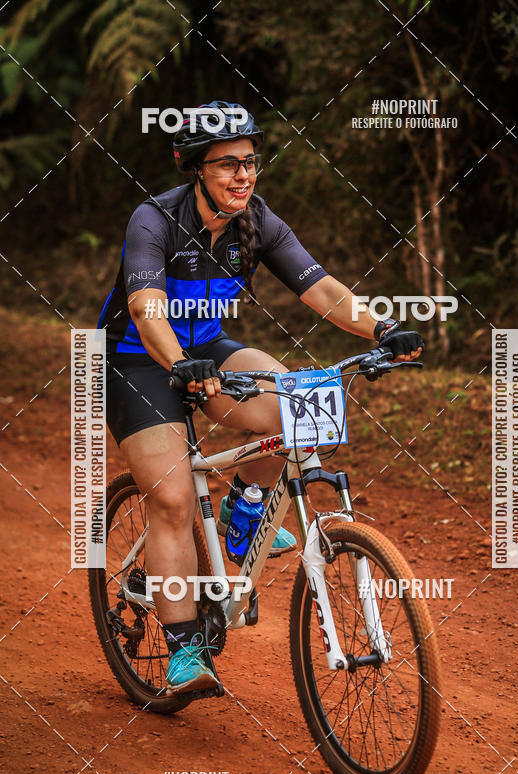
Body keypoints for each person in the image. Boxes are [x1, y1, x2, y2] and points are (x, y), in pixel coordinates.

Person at [98, 100, 423, 696]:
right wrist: (179, 365)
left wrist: (381, 329)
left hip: (209, 347)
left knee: (299, 406)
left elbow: (322, 288)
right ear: (195, 167)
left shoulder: (258, 222)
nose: (243, 175)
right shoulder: (153, 219)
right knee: (170, 500)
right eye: (227, 165)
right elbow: (146, 311)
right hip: (138, 362)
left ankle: (243, 509)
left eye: (250, 162)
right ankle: (184, 653)